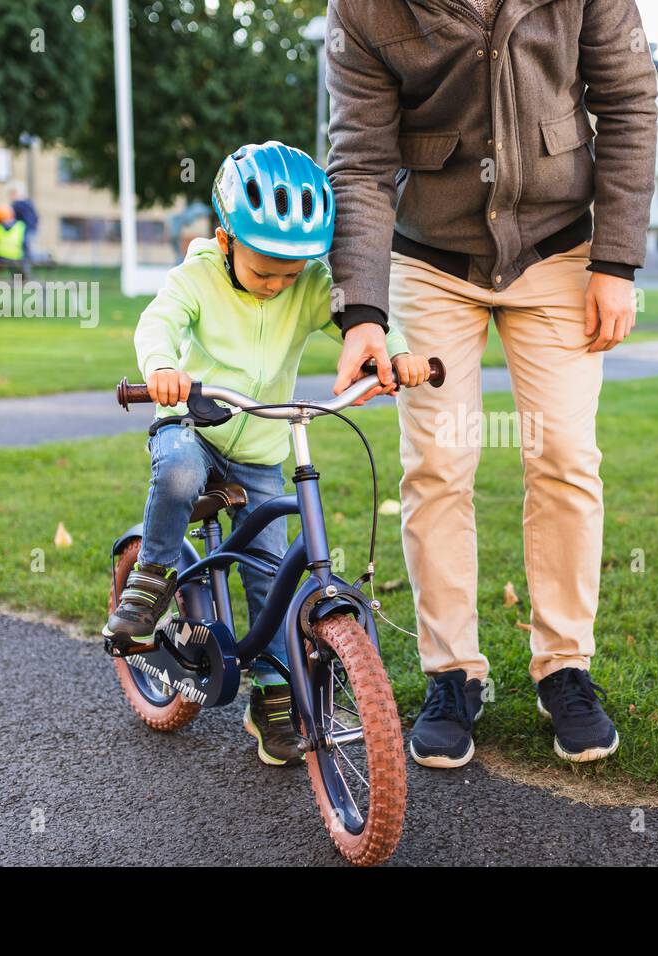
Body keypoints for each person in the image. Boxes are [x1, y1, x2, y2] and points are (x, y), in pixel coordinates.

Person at [325, 0, 658, 767]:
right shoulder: (363, 9)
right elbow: (362, 162)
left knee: (566, 457)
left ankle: (565, 665)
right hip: (431, 257)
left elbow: (629, 101)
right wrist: (364, 313)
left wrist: (615, 262)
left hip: (561, 249)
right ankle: (451, 673)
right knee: (439, 463)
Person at [103, 141, 431, 766]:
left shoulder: (304, 283)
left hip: (259, 442)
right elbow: (159, 322)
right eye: (265, 272)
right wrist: (164, 368)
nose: (280, 284)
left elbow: (358, 320)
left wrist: (398, 353)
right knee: (175, 474)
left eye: (291, 273)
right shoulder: (196, 276)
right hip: (193, 423)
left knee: (270, 570)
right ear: (225, 240)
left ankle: (275, 697)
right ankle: (151, 580)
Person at [8, 184, 38, 259]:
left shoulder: (19, 204)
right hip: (26, 229)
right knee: (25, 248)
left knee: (26, 248)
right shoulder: (27, 203)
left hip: (26, 229)